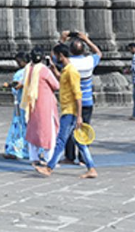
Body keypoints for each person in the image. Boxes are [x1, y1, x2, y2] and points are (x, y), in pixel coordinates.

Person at [33, 43, 97, 179]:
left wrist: (79, 116)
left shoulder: (72, 71)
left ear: (61, 56)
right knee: (79, 142)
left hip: (70, 111)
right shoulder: (66, 70)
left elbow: (78, 95)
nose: (55, 58)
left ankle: (49, 168)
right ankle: (91, 168)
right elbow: (62, 81)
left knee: (61, 140)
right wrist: (53, 69)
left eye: (56, 56)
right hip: (68, 110)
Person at [60, 30, 101, 164]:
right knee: (84, 128)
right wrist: (86, 40)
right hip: (87, 100)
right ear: (83, 50)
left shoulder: (69, 63)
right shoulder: (89, 61)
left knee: (69, 129)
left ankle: (70, 156)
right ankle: (83, 158)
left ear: (70, 51)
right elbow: (99, 53)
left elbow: (55, 57)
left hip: (72, 102)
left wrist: (62, 40)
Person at [22, 49, 60, 166]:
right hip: (45, 104)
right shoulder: (44, 70)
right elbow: (56, 85)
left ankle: (33, 157)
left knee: (33, 130)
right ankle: (49, 159)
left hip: (32, 103)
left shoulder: (28, 69)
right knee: (49, 131)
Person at [3, 53, 29, 160]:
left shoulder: (20, 73)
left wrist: (10, 86)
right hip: (31, 103)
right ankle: (30, 150)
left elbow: (15, 88)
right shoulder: (34, 71)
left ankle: (15, 150)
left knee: (19, 124)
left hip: (20, 103)